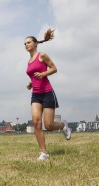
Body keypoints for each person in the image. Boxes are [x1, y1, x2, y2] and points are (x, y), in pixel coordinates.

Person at [25, 28, 72, 161]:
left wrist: (43, 74)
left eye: (28, 42)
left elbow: (54, 68)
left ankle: (63, 125)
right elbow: (34, 77)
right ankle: (44, 152)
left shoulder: (42, 55)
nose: (26, 45)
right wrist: (30, 84)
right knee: (36, 122)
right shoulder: (28, 62)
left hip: (47, 92)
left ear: (35, 44)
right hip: (35, 94)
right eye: (24, 44)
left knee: (49, 126)